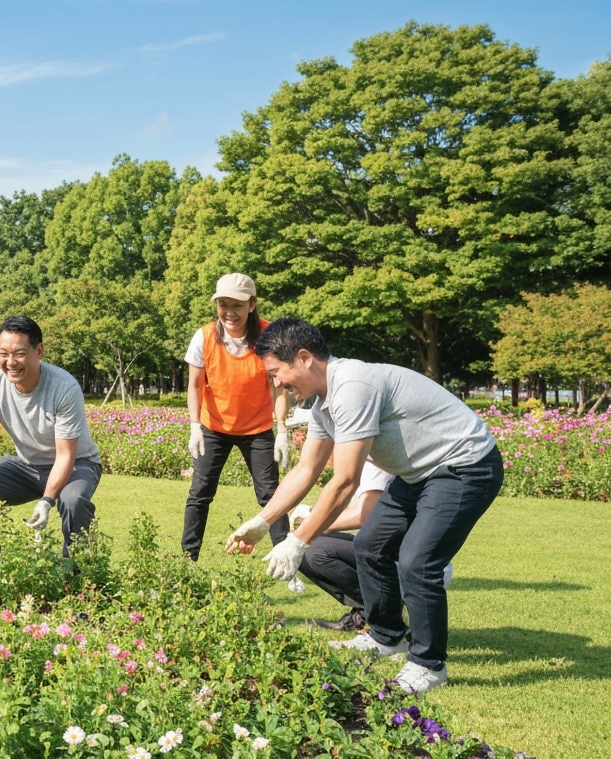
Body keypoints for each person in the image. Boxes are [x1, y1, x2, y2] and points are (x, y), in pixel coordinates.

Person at [225, 318, 502, 694]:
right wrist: (262, 521)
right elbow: (307, 469)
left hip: (465, 466)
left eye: (277, 373)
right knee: (370, 545)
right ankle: (388, 636)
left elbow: (345, 481)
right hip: (419, 475)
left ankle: (428, 664)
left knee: (419, 561)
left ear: (304, 358)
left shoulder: (353, 387)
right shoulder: (325, 405)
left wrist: (297, 541)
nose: (277, 385)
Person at [0, 315, 101, 555]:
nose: (11, 362)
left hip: (76, 464)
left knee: (73, 500)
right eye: (3, 354)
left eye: (19, 353)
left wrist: (47, 500)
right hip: (27, 465)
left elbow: (65, 455)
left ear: (39, 351)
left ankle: (77, 579)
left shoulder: (64, 387)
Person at [180, 273, 292, 560]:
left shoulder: (270, 337)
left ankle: (287, 557)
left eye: (237, 306)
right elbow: (194, 385)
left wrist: (282, 430)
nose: (229, 313)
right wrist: (195, 425)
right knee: (200, 493)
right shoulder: (204, 336)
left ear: (252, 304)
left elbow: (279, 387)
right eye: (223, 305)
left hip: (257, 429)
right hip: (213, 426)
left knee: (271, 496)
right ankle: (187, 559)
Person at [293, 460, 395, 631]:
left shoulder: (376, 462)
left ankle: (388, 609)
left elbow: (366, 514)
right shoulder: (359, 462)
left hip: (399, 556)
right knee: (303, 547)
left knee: (314, 552)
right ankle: (366, 611)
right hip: (371, 545)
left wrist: (314, 525)